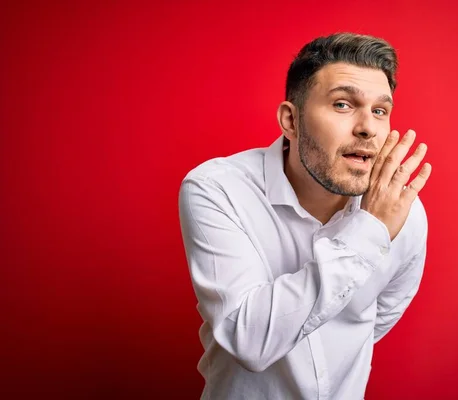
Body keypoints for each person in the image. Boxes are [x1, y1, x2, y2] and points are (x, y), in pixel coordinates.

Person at [178, 32, 432, 400]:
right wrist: (369, 231)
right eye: (343, 104)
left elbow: (377, 318)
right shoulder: (216, 190)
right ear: (290, 120)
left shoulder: (405, 212)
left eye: (380, 110)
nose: (368, 127)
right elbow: (250, 341)